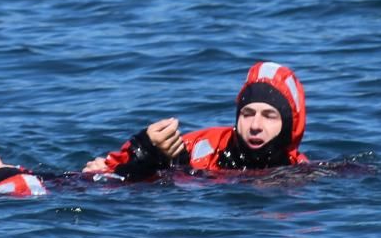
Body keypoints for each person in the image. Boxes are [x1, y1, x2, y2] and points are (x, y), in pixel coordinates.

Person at [83, 61, 307, 181]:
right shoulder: (203, 147)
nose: (255, 125)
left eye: (269, 116)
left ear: (288, 126)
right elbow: (111, 175)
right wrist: (144, 151)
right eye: (247, 114)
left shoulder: (303, 174)